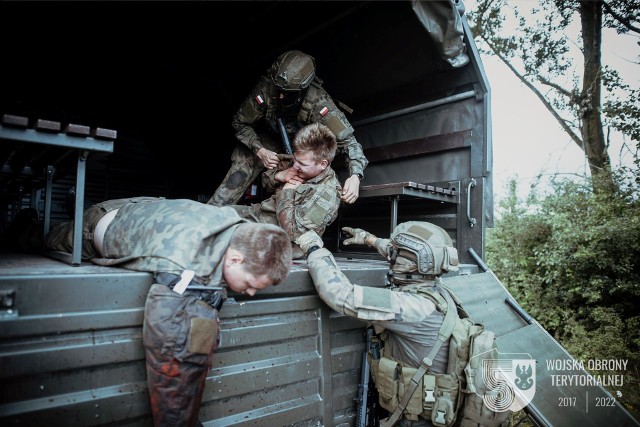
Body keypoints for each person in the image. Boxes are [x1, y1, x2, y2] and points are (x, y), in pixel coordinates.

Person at [41, 197, 293, 427]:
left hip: (144, 207)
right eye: (250, 285)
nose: (250, 293)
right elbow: (172, 360)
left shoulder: (238, 227)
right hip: (95, 227)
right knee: (39, 237)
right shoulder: (187, 270)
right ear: (235, 259)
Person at [295, 222, 463, 427]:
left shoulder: (411, 307)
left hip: (417, 420)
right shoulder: (437, 290)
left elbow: (339, 294)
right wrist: (368, 238)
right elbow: (401, 256)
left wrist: (314, 249)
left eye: (398, 253)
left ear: (414, 262)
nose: (392, 255)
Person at [208, 49, 368, 207]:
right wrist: (259, 150)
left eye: (287, 93)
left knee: (304, 176)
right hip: (268, 139)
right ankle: (211, 214)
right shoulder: (267, 88)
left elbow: (349, 143)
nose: (280, 96)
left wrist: (355, 176)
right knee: (242, 168)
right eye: (279, 90)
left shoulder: (319, 103)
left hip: (302, 147)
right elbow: (240, 123)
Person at [229, 122, 342, 259]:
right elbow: (265, 181)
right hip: (259, 215)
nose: (295, 165)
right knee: (214, 213)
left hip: (279, 240)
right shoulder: (300, 159)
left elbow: (293, 235)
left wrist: (286, 192)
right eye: (295, 160)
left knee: (216, 228)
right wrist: (278, 176)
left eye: (302, 164)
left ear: (322, 164)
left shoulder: (326, 194)